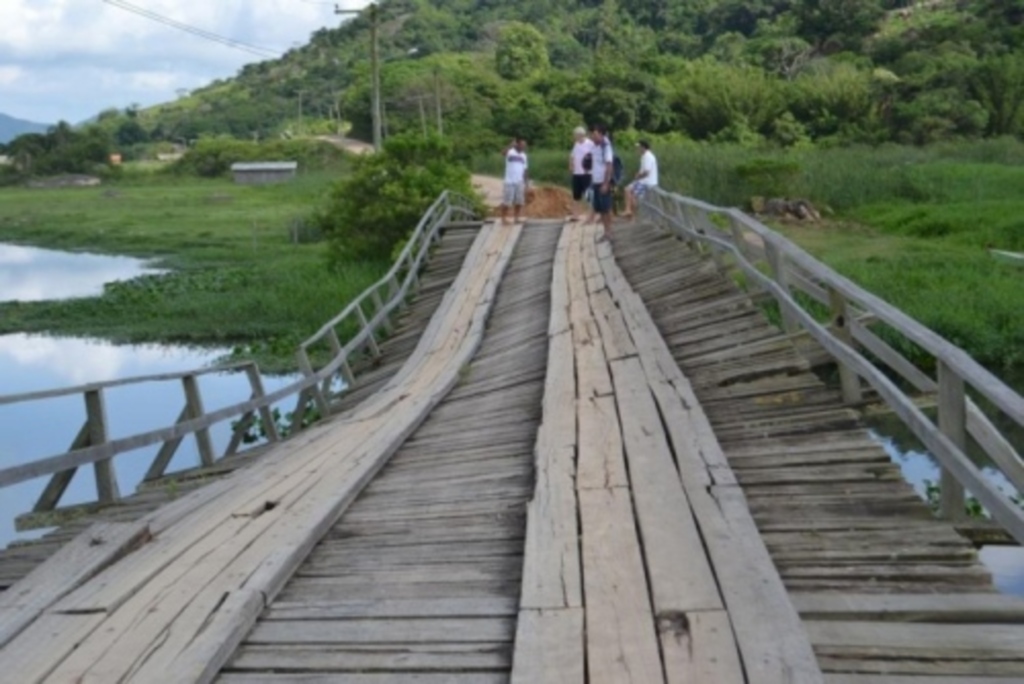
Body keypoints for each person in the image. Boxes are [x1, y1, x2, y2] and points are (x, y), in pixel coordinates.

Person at [589, 124, 616, 242]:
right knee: (600, 209)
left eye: (595, 134)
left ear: (601, 134)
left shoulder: (606, 146)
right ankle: (606, 232)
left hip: (603, 181)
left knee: (606, 208)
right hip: (596, 180)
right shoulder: (595, 146)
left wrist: (606, 183)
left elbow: (609, 165)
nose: (592, 136)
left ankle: (609, 232)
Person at [623, 139, 658, 219]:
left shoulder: (648, 156)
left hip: (646, 182)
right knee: (631, 194)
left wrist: (638, 176)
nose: (638, 149)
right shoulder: (644, 156)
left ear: (643, 147)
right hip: (645, 181)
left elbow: (646, 172)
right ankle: (631, 213)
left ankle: (630, 212)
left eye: (639, 147)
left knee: (629, 191)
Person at [568, 126, 594, 223]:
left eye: (576, 135)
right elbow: (572, 156)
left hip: (587, 174)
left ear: (581, 135)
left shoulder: (590, 144)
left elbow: (594, 157)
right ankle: (575, 215)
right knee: (576, 194)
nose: (575, 137)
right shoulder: (576, 144)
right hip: (577, 173)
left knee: (588, 195)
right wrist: (571, 165)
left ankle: (590, 216)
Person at [500, 137, 528, 226]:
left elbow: (525, 169)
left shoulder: (524, 156)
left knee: (519, 201)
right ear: (517, 144)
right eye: (522, 144)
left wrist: (526, 182)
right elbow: (502, 153)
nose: (523, 146)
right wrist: (509, 146)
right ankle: (504, 218)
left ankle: (516, 217)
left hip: (519, 181)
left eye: (525, 145)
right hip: (509, 181)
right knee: (507, 201)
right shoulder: (510, 152)